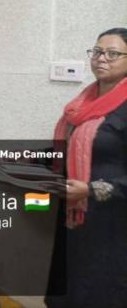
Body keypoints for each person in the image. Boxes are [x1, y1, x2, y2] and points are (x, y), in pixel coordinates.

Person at [46, 27, 127, 308]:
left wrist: (90, 190)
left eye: (113, 53)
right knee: (67, 287)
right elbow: (70, 148)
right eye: (97, 52)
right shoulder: (84, 101)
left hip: (111, 222)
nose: (101, 58)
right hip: (71, 214)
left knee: (98, 291)